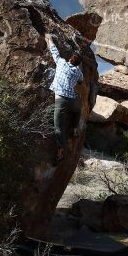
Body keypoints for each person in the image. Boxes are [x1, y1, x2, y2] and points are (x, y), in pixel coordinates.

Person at [45, 33, 84, 163]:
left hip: (60, 98)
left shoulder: (61, 63)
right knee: (77, 110)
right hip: (72, 98)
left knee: (58, 125)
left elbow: (54, 51)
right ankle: (74, 128)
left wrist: (49, 38)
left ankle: (61, 149)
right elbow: (81, 81)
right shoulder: (78, 72)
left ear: (70, 58)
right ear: (78, 64)